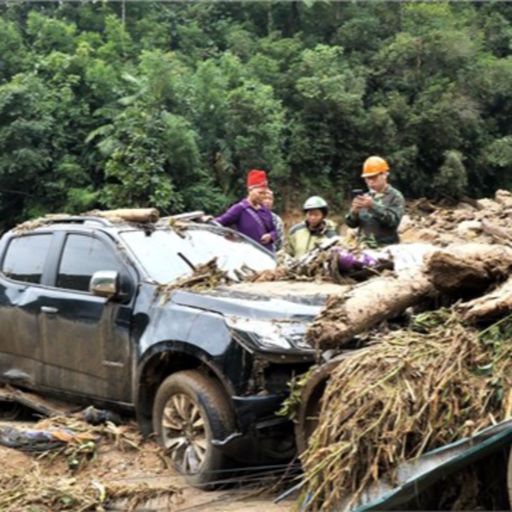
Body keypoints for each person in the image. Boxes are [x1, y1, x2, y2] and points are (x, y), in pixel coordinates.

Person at [345, 156, 405, 247]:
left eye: (374, 177)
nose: (371, 182)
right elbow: (351, 224)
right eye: (367, 178)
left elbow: (393, 222)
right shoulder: (365, 197)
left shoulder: (395, 196)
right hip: (363, 247)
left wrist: (373, 206)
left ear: (384, 175)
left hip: (386, 248)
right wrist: (354, 212)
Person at [216, 169, 277, 252]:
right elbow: (219, 223)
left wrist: (270, 236)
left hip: (267, 254)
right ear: (250, 190)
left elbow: (274, 230)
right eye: (260, 193)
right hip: (247, 254)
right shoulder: (239, 208)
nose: (263, 196)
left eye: (264, 193)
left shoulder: (265, 210)